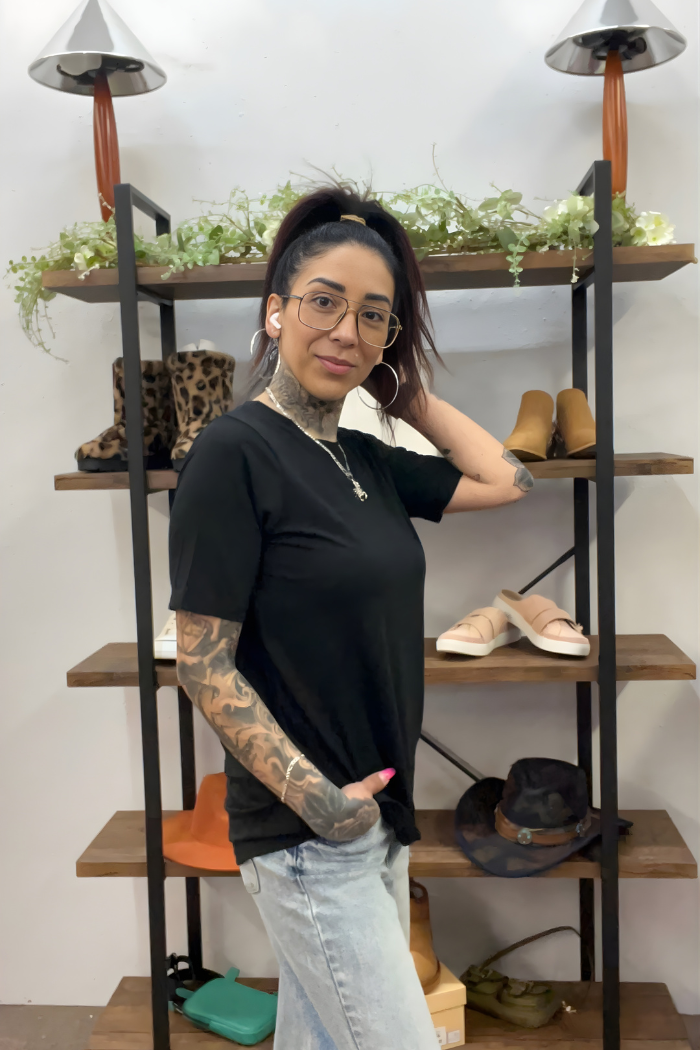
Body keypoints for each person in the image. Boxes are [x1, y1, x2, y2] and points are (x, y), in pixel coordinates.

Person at [168, 185, 533, 1050]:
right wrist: (319, 803)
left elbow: (511, 479)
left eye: (375, 317)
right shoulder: (235, 452)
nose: (346, 332)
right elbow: (201, 661)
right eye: (324, 302)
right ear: (274, 312)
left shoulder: (362, 456)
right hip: (306, 833)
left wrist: (406, 398)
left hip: (374, 819)